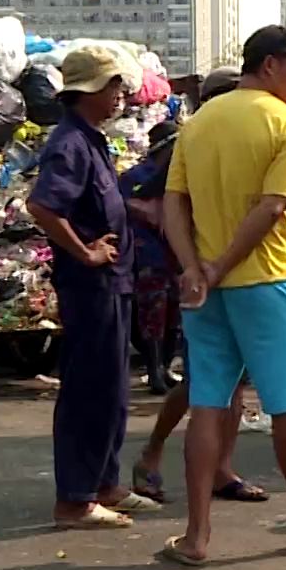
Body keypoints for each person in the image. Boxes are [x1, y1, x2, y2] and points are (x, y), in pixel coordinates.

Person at [158, 26, 286, 565]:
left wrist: (195, 268)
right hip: (266, 283)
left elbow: (173, 204)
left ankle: (195, 538)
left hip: (207, 293)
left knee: (207, 404)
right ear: (270, 65)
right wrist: (216, 265)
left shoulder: (199, 122)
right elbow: (273, 206)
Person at [132, 64, 286, 505]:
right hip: (242, 277)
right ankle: (156, 453)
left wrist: (197, 268)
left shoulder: (200, 131)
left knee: (217, 391)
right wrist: (206, 267)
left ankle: (208, 499)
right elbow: (277, 204)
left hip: (203, 276)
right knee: (214, 389)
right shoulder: (279, 123)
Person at [26, 46, 161, 530]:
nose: (121, 95)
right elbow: (42, 207)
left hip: (114, 282)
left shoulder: (94, 140)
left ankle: (106, 484)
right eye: (113, 87)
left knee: (113, 390)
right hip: (90, 286)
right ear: (87, 93)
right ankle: (75, 499)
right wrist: (84, 251)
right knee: (88, 390)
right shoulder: (70, 144)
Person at [121, 120, 182, 394]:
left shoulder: (179, 175)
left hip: (176, 256)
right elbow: (121, 207)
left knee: (175, 315)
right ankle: (154, 370)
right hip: (148, 257)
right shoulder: (136, 177)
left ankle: (166, 368)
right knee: (152, 314)